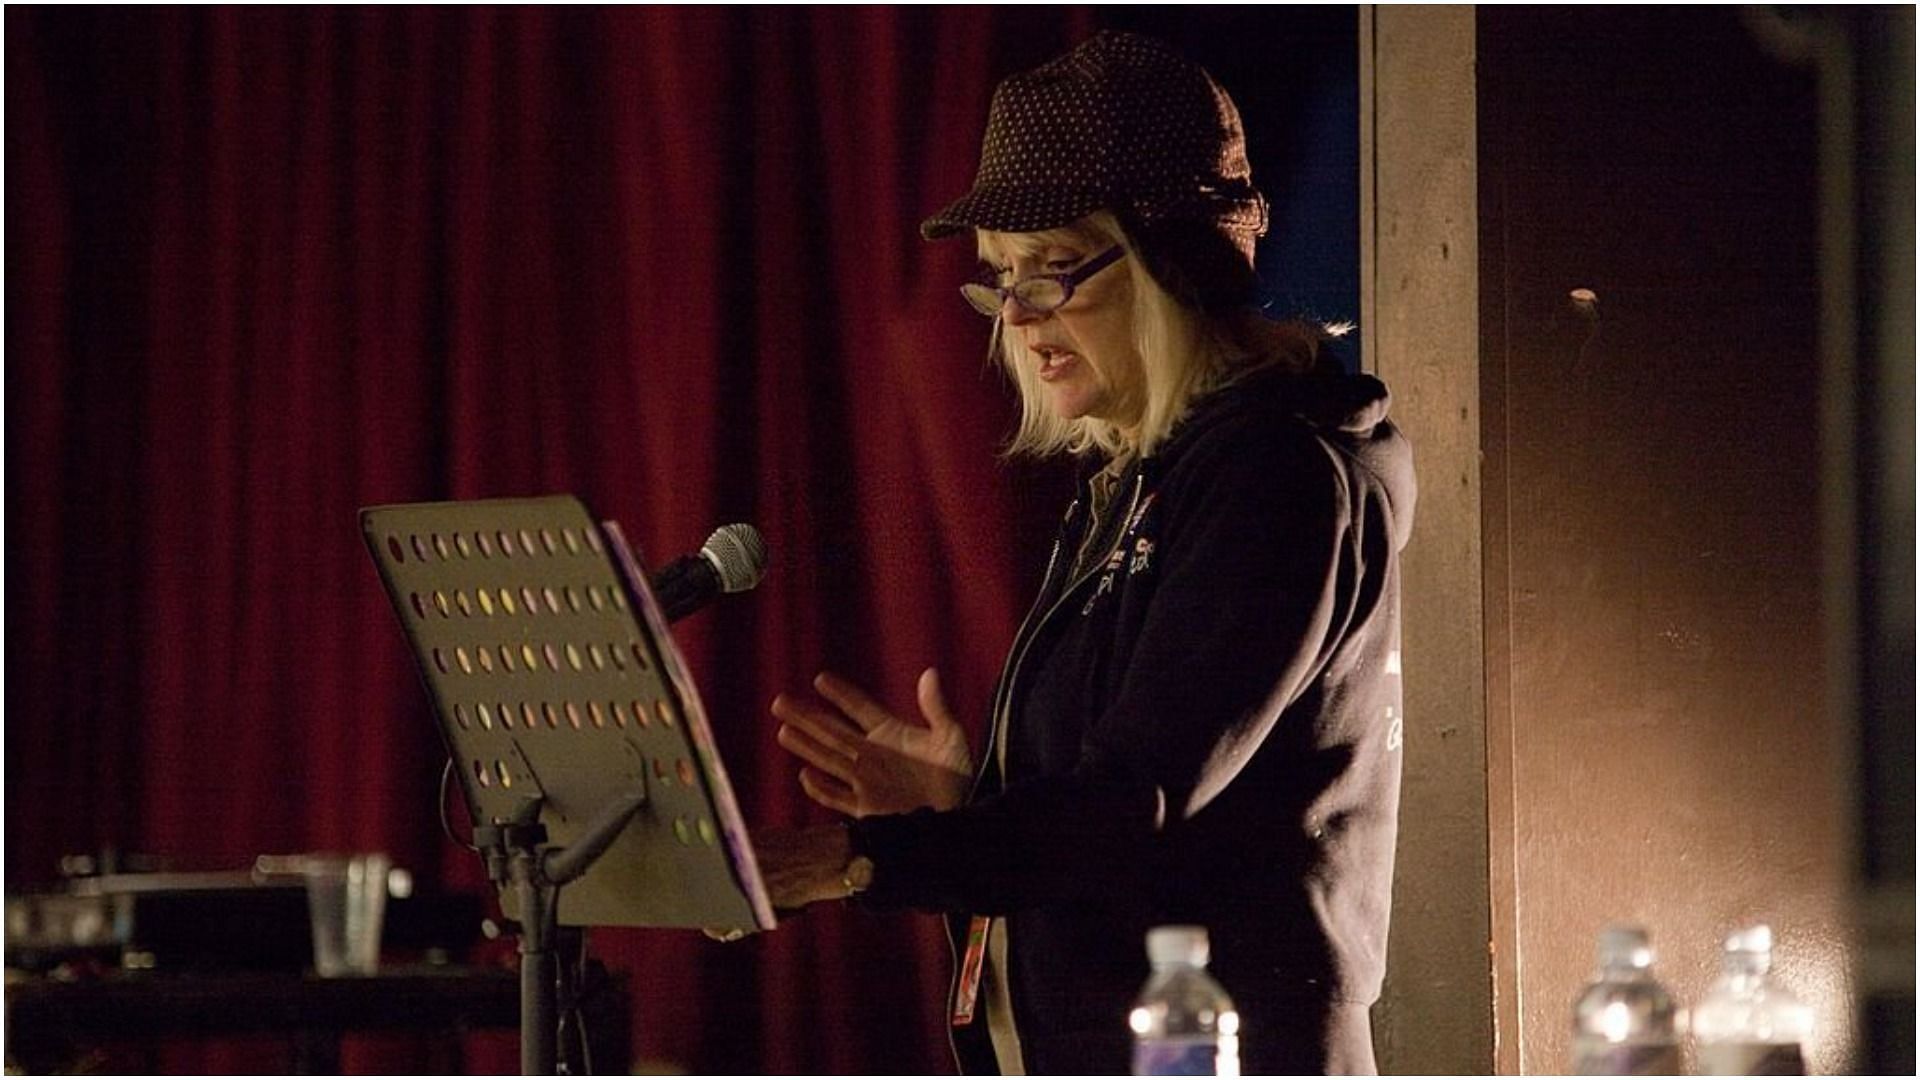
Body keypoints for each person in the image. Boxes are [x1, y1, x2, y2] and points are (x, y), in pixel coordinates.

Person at [753, 31, 1415, 1076]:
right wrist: (966, 811)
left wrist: (859, 859)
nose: (1018, 322)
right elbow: (1128, 827)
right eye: (1000, 281)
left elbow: (1131, 802)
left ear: (1174, 260)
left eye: (1054, 272)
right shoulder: (1137, 479)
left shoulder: (1275, 480)